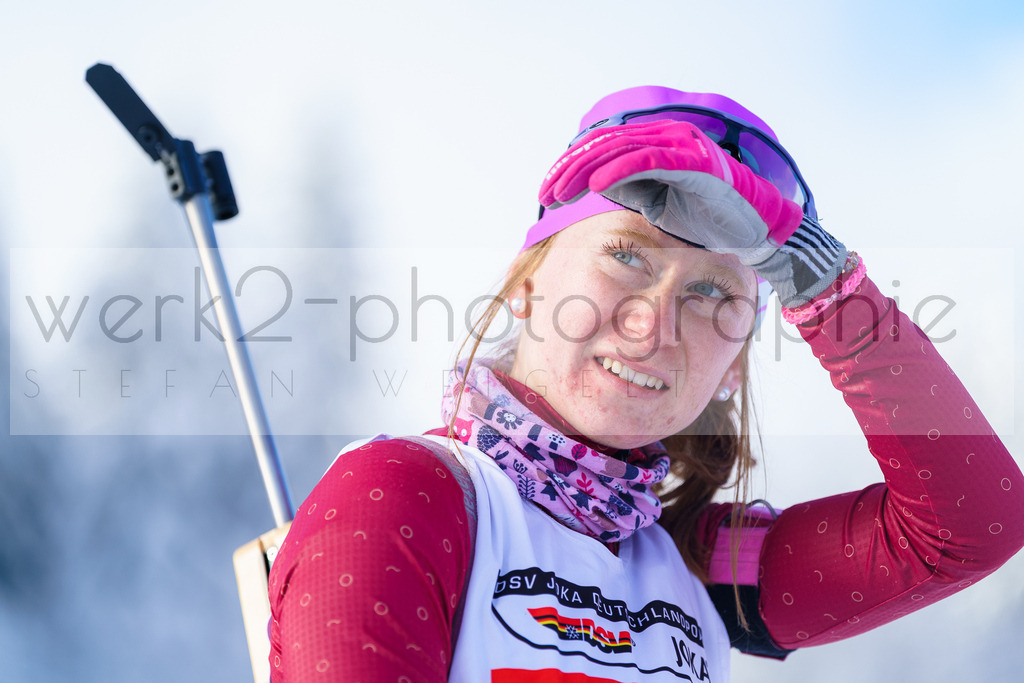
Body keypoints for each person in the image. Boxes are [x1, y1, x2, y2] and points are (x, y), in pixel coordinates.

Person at [267, 86, 1024, 682]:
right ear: (526, 284)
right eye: (626, 255)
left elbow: (973, 527)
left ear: (734, 368)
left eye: (711, 292)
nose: (653, 324)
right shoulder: (410, 493)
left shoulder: (703, 566)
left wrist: (821, 282)